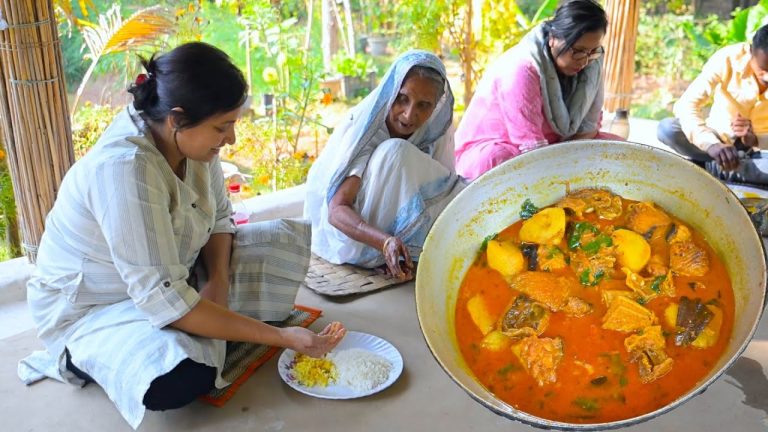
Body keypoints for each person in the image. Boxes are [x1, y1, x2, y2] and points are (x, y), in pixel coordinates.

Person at [17, 42, 345, 429]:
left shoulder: (192, 143)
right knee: (180, 377)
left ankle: (208, 318)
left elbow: (220, 217)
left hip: (175, 272)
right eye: (222, 127)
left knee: (281, 242)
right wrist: (283, 338)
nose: (231, 139)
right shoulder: (124, 169)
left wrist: (217, 282)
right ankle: (84, 354)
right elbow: (162, 299)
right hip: (98, 306)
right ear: (177, 119)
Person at [304, 50, 465, 282]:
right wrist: (384, 241)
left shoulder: (434, 130)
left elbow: (442, 192)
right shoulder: (367, 129)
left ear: (435, 106)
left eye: (423, 105)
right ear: (391, 91)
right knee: (396, 151)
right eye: (402, 98)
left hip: (391, 236)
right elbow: (337, 211)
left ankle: (407, 250)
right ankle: (392, 249)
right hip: (351, 238)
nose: (409, 115)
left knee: (465, 193)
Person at [454, 0, 623, 181]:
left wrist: (575, 165)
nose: (584, 61)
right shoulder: (521, 69)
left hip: (553, 148)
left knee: (618, 151)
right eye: (578, 51)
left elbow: (587, 131)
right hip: (508, 148)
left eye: (592, 51)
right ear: (553, 39)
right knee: (500, 161)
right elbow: (531, 148)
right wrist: (567, 176)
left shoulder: (592, 64)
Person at [657, 24, 768, 185]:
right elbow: (687, 105)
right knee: (667, 129)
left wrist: (755, 140)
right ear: (750, 52)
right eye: (763, 69)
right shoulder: (728, 58)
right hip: (717, 141)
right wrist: (712, 145)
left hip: (759, 152)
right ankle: (731, 170)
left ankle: (710, 169)